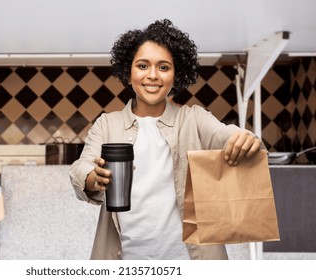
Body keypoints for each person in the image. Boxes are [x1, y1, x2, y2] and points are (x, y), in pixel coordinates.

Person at [69, 19, 263, 260]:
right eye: (142, 65)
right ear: (128, 73)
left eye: (163, 67)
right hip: (125, 259)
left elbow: (226, 135)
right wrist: (92, 177)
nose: (152, 75)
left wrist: (245, 137)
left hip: (189, 260)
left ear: (175, 76)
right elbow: (82, 166)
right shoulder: (108, 124)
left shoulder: (193, 119)